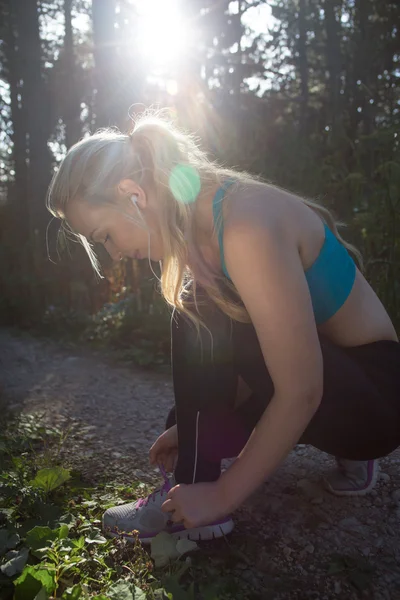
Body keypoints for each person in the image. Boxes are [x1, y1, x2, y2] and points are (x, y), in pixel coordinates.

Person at [47, 110, 400, 546]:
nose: (114, 254)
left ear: (133, 194)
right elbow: (254, 357)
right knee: (199, 321)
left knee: (198, 304)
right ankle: (193, 479)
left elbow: (301, 389)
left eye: (104, 236)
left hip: (379, 402)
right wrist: (193, 427)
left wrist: (222, 494)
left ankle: (196, 502)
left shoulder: (242, 226)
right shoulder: (208, 220)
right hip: (342, 377)